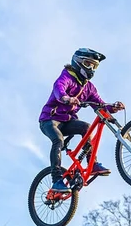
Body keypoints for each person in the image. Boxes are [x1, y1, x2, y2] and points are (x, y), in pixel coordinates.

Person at [38, 48, 124, 193]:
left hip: (67, 121)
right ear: (78, 62)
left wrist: (113, 108)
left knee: (87, 127)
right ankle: (57, 180)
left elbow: (100, 104)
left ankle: (93, 164)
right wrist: (66, 98)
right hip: (49, 120)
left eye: (94, 66)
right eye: (88, 64)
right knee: (58, 140)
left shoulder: (89, 88)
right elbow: (59, 89)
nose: (91, 68)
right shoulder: (66, 76)